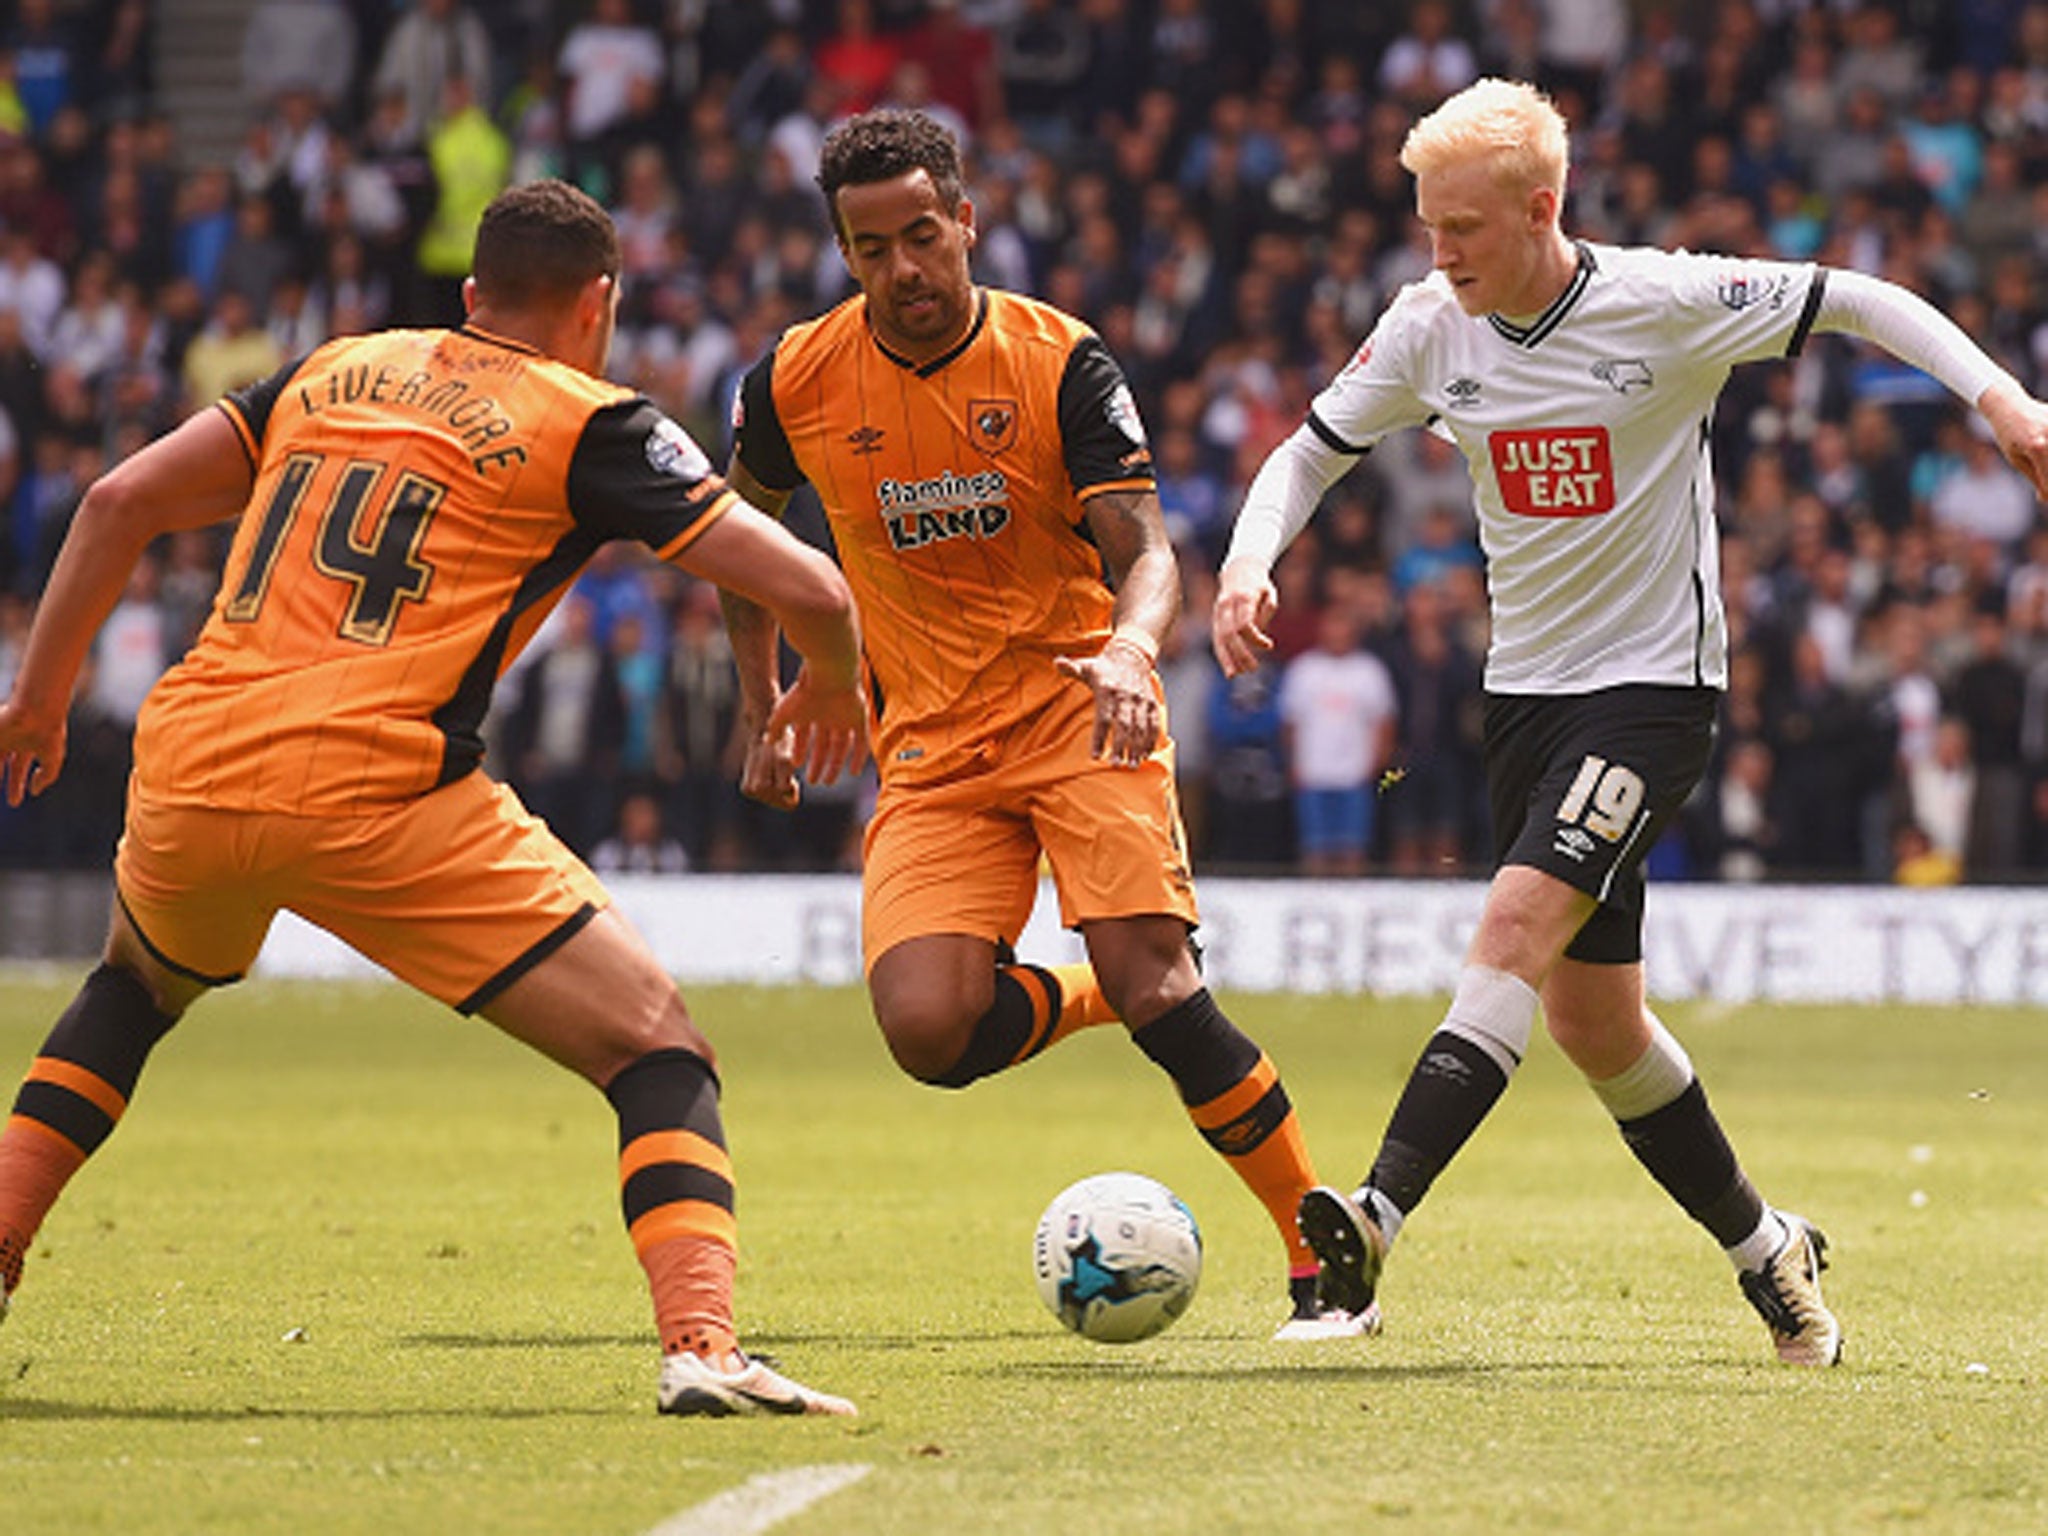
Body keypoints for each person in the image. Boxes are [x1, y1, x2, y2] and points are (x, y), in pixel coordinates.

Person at [1212, 78, 2048, 1367]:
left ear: (1540, 209)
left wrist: (1999, 400)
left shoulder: (1664, 300)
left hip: (1654, 691)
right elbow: (1309, 450)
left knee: (1507, 926)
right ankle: (1768, 1250)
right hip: (1526, 699)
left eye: (1461, 231)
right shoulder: (1433, 324)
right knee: (1591, 1025)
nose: (1435, 255)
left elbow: (1860, 300)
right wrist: (1246, 559)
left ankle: (1367, 1225)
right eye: (1426, 227)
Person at [0, 180, 870, 1417]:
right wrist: (821, 685)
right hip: (380, 785)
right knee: (656, 1045)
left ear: (470, 298)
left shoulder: (333, 368)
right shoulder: (591, 419)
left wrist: (38, 702)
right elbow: (815, 591)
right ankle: (701, 1346)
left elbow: (115, 502)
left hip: (193, 757)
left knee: (132, 991)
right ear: (598, 307)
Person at [723, 108, 1363, 1341]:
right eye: (871, 250)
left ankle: (1317, 1259)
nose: (903, 268)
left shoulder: (1058, 360)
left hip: (1083, 709)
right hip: (930, 745)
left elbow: (1146, 554)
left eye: (922, 235)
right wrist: (769, 706)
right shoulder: (792, 379)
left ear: (965, 222)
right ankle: (1086, 993)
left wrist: (1130, 647)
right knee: (926, 1031)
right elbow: (736, 544)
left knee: (1162, 988)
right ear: (843, 257)